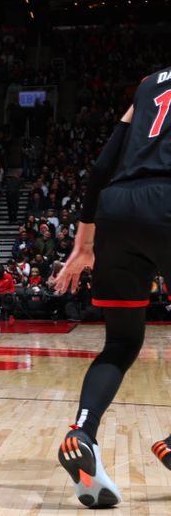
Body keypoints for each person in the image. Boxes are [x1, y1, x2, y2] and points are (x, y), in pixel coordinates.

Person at [55, 66, 171, 508]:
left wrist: (84, 244)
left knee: (121, 342)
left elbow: (103, 164)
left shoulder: (146, 85)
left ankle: (82, 431)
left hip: (117, 209)